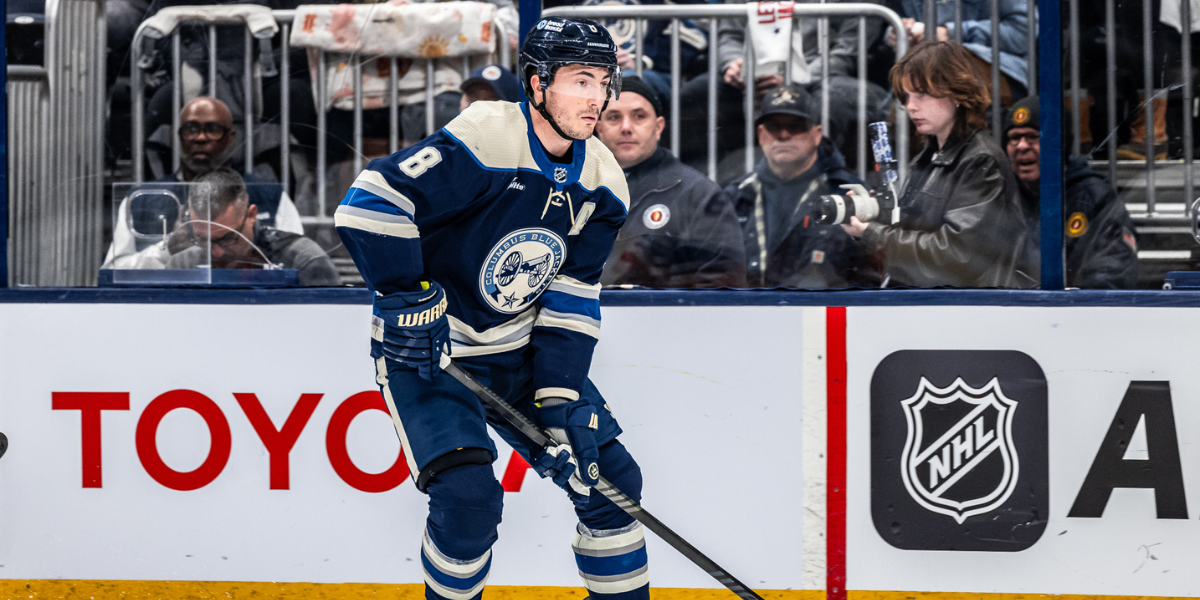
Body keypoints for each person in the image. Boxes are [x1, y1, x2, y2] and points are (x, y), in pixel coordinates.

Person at [335, 18, 650, 600]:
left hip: (520, 353)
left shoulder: (605, 179)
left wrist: (558, 404)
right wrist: (406, 297)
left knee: (611, 484)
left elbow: (572, 296)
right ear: (536, 84)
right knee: (468, 499)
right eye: (581, 80)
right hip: (434, 352)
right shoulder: (487, 136)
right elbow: (369, 205)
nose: (597, 98)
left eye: (604, 82)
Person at [842, 42, 1033, 288]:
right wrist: (875, 216)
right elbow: (920, 236)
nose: (911, 106)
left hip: (968, 312)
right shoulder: (928, 157)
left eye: (922, 94)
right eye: (906, 96)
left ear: (956, 93)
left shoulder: (980, 160)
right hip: (938, 308)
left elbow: (958, 255)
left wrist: (872, 234)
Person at [103, 97, 304, 269]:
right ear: (179, 137)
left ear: (231, 138)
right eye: (191, 129)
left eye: (212, 129)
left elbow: (295, 260)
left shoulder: (268, 195)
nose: (200, 138)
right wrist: (167, 249)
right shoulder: (141, 199)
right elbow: (113, 271)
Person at [595, 76, 746, 288]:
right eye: (614, 117)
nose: (626, 127)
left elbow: (723, 286)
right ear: (599, 129)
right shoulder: (576, 191)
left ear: (658, 127)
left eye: (639, 116)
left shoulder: (698, 194)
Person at [726, 84, 878, 288]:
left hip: (822, 313)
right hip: (749, 313)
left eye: (796, 126)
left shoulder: (850, 193)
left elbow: (871, 275)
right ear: (761, 134)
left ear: (817, 134)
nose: (783, 135)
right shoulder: (736, 196)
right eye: (774, 126)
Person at [1004, 96, 1139, 288]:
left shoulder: (1096, 199)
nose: (1022, 146)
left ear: (1060, 144)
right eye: (1014, 138)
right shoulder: (1000, 197)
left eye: (1034, 136)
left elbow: (1112, 276)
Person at [166, 167, 339, 285]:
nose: (216, 252)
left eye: (228, 238)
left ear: (251, 215)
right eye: (202, 238)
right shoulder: (183, 265)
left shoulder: (302, 261)